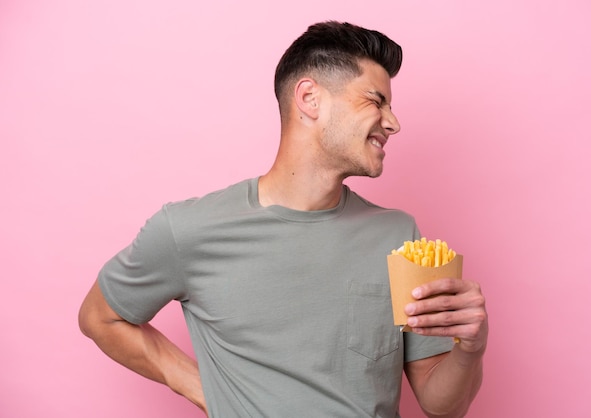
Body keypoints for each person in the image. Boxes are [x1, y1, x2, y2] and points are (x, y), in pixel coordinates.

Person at [78, 21, 488, 417]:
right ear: (310, 99)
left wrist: (471, 348)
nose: (393, 122)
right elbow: (100, 316)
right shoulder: (186, 230)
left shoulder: (400, 237)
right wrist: (205, 391)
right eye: (375, 100)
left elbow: (441, 406)